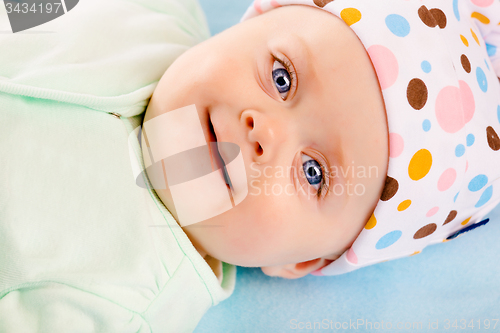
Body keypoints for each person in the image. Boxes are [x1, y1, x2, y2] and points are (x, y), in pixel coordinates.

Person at [143, 0, 500, 279]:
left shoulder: (136, 301)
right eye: (281, 77)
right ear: (256, 18)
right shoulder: (147, 14)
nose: (265, 132)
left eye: (313, 172)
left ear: (300, 261)